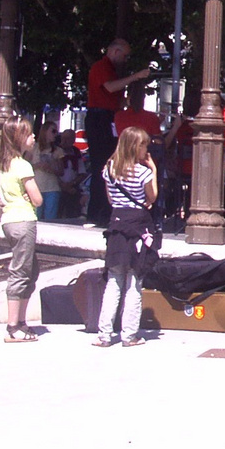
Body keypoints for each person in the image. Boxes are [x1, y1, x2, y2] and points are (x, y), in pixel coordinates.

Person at [95, 125, 157, 348]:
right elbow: (153, 197)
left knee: (114, 281)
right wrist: (154, 170)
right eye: (144, 146)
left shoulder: (109, 168)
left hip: (117, 225)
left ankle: (104, 334)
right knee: (134, 282)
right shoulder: (143, 172)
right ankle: (129, 334)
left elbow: (111, 200)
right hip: (138, 226)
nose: (146, 150)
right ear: (135, 146)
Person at [85, 38, 154, 225]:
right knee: (101, 162)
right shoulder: (101, 67)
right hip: (100, 118)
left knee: (108, 161)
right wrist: (135, 77)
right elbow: (110, 87)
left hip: (107, 116)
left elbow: (113, 95)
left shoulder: (111, 70)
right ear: (115, 51)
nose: (125, 59)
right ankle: (97, 211)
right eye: (124, 55)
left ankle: (103, 211)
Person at [0, 117, 43, 342]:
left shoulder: (5, 164)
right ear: (19, 139)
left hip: (9, 219)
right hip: (23, 219)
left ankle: (21, 321)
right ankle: (13, 325)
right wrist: (32, 197)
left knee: (30, 270)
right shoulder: (23, 165)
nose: (33, 137)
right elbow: (37, 199)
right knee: (21, 272)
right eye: (29, 134)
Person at [31, 122, 65, 221]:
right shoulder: (34, 148)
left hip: (52, 189)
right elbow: (25, 165)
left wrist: (51, 167)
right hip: (36, 188)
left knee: (50, 221)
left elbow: (61, 171)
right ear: (45, 131)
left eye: (56, 131)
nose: (56, 134)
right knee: (35, 218)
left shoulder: (58, 151)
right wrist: (38, 165)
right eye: (53, 131)